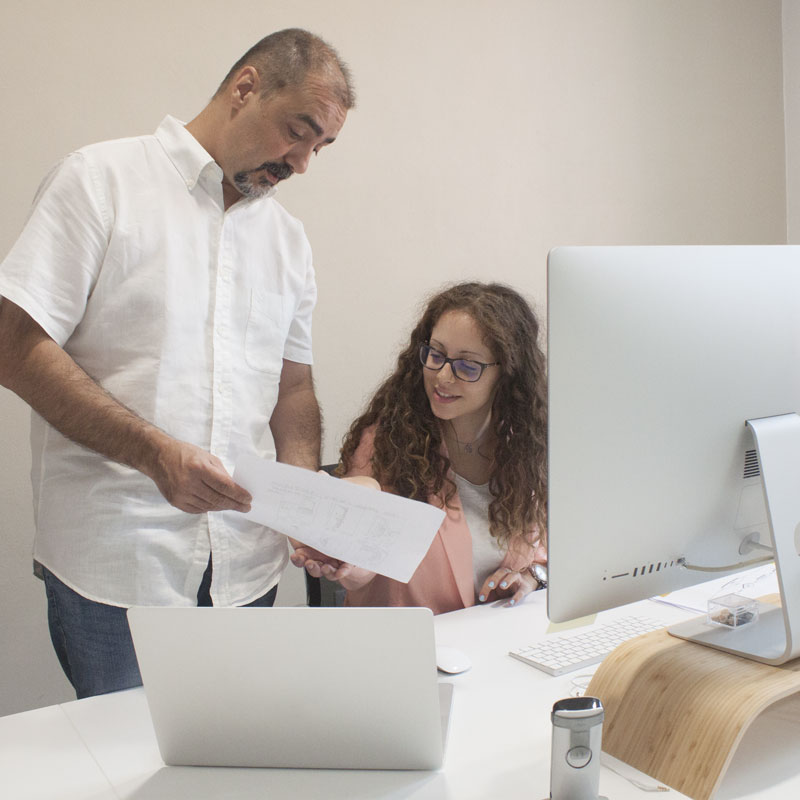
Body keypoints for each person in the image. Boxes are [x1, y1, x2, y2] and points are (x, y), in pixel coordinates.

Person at [0, 29, 355, 698]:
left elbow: (294, 387)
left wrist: (302, 495)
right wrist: (155, 452)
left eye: (321, 147)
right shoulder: (100, 181)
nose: (303, 162)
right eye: (297, 131)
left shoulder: (287, 239)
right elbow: (13, 345)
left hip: (245, 569)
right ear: (246, 87)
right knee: (128, 773)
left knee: (226, 766)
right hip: (117, 566)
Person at [292, 282, 547, 614]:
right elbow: (363, 566)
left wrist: (534, 576)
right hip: (409, 648)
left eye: (467, 365)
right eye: (436, 355)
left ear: (507, 373)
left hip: (495, 648)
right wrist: (346, 563)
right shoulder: (388, 442)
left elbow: (550, 553)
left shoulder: (527, 448)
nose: (442, 375)